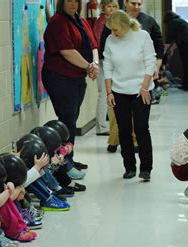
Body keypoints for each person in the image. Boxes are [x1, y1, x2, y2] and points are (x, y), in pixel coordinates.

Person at [42, 0, 99, 173]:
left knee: (71, 119)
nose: (73, 5)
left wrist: (94, 63)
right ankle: (64, 163)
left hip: (77, 77)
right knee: (67, 121)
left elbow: (93, 44)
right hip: (60, 77)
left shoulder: (80, 21)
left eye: (76, 1)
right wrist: (89, 66)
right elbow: (67, 51)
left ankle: (69, 159)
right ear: (61, 3)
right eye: (69, 1)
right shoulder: (57, 22)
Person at [104, 10, 156, 181]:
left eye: (115, 29)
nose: (113, 33)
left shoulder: (142, 36)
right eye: (110, 30)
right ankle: (129, 167)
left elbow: (150, 62)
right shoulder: (110, 40)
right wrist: (109, 92)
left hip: (142, 89)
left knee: (141, 128)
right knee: (124, 130)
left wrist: (145, 87)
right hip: (119, 91)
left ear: (125, 26)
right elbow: (108, 66)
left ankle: (146, 168)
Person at [93, 0, 119, 136]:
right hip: (104, 61)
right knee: (104, 93)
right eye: (109, 6)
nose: (112, 9)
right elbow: (97, 42)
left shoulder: (112, 20)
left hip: (109, 61)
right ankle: (101, 126)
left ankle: (105, 124)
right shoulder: (103, 21)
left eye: (114, 6)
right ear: (103, 8)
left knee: (107, 93)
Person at [163, 11, 188, 91]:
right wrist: (170, 50)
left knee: (186, 63)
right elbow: (176, 41)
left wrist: (164, 53)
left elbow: (169, 40)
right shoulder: (180, 21)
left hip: (187, 43)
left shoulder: (171, 23)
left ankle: (187, 84)